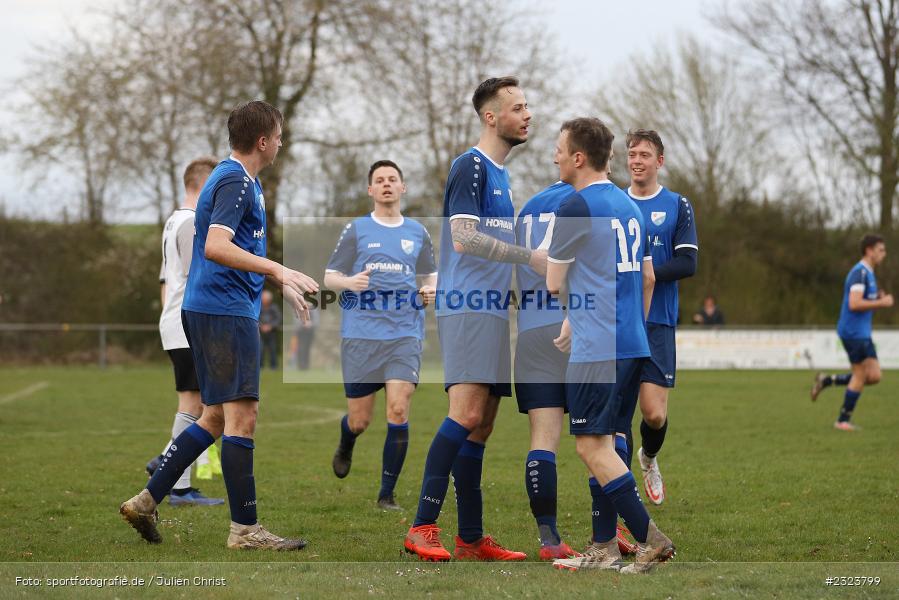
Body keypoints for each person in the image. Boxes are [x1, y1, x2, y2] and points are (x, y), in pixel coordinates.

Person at [120, 100, 319, 550]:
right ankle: (245, 530)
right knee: (241, 417)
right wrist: (279, 269)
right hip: (223, 311)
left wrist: (277, 282)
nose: (283, 142)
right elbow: (215, 246)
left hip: (218, 307)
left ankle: (147, 501)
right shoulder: (233, 179)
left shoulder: (242, 180)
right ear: (264, 141)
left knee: (212, 417)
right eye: (280, 135)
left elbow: (233, 250)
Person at [403, 76, 543, 562]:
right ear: (491, 117)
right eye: (518, 107)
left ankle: (470, 537)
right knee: (464, 415)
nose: (528, 114)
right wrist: (530, 258)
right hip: (467, 306)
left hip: (490, 310)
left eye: (528, 106)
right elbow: (463, 238)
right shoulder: (472, 167)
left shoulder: (502, 176)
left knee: (481, 425)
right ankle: (422, 526)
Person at [546, 117, 674, 573]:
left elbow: (555, 280)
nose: (555, 156)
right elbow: (648, 278)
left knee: (590, 447)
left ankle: (649, 539)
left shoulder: (574, 207)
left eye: (560, 149)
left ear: (578, 158)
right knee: (610, 442)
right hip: (633, 341)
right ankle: (602, 546)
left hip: (597, 348)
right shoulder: (630, 207)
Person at [325, 159, 437, 511]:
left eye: (393, 179)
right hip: (361, 334)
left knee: (399, 410)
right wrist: (349, 282)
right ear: (370, 190)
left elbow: (431, 273)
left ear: (403, 187)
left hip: (405, 332)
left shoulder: (418, 232)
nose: (387, 184)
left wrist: (429, 291)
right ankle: (347, 440)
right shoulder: (357, 229)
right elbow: (330, 276)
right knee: (360, 420)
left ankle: (385, 496)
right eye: (379, 180)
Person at [625, 129, 698, 506]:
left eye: (645, 155)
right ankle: (618, 495)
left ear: (660, 161)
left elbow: (689, 261)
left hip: (658, 322)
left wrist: (652, 274)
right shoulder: (613, 202)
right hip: (618, 321)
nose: (637, 160)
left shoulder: (676, 204)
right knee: (617, 416)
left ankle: (649, 458)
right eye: (632, 154)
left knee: (653, 414)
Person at [147, 157, 224, 506]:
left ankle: (167, 463)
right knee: (200, 406)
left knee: (202, 405)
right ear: (205, 185)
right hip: (187, 322)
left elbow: (165, 280)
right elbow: (203, 276)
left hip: (175, 320)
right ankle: (176, 482)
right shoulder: (193, 223)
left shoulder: (173, 220)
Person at [513, 180, 581, 560]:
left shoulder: (528, 208)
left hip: (532, 330)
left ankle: (549, 538)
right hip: (577, 326)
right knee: (602, 436)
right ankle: (610, 531)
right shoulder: (593, 199)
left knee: (543, 437)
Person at [811, 234, 892, 430]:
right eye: (880, 250)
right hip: (853, 332)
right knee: (860, 374)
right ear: (869, 250)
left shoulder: (869, 274)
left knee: (874, 376)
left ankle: (827, 380)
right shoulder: (860, 273)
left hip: (862, 333)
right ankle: (842, 420)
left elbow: (863, 297)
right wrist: (881, 302)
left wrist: (877, 296)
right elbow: (854, 303)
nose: (884, 254)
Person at [290, 306, 319, 370]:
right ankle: (301, 366)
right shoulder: (298, 307)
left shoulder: (313, 309)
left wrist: (310, 324)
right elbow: (296, 319)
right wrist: (304, 323)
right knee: (300, 348)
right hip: (300, 332)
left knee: (307, 349)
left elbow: (316, 321)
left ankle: (306, 366)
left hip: (310, 332)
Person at [258, 289, 281, 369]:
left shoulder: (274, 308)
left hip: (272, 332)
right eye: (263, 299)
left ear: (269, 300)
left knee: (272, 349)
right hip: (260, 332)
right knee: (260, 349)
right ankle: (260, 366)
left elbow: (278, 319)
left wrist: (270, 326)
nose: (264, 300)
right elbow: (256, 318)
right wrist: (261, 326)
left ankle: (274, 366)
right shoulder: (258, 307)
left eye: (266, 299)